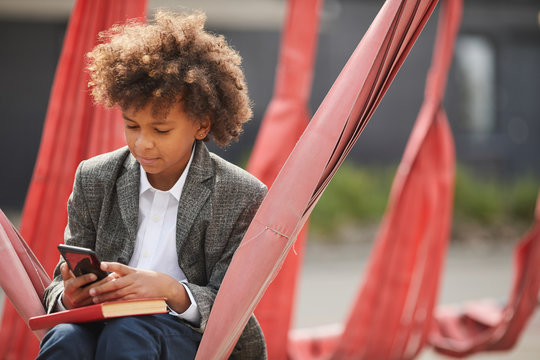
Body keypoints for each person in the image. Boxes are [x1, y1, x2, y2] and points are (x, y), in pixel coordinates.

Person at [38, 10, 267, 359]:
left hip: (191, 337)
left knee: (129, 331)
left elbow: (232, 302)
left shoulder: (240, 194)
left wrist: (173, 291)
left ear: (202, 126)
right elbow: (58, 286)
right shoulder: (95, 178)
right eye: (132, 126)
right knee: (65, 337)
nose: (143, 143)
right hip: (101, 323)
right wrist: (69, 295)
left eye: (161, 130)